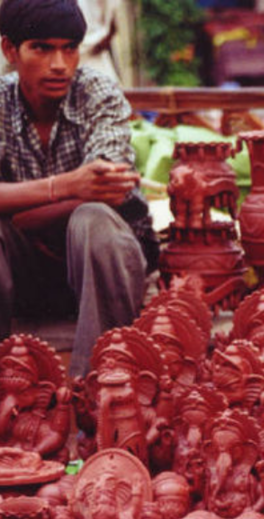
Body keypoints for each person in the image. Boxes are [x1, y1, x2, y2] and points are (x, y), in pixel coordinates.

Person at [0, 0, 157, 377]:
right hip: (26, 274)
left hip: (102, 269)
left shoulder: (97, 91)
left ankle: (98, 382)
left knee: (94, 220)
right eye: (42, 47)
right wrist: (69, 185)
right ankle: (8, 380)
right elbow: (86, 185)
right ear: (10, 50)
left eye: (69, 48)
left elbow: (105, 192)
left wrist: (16, 210)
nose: (59, 64)